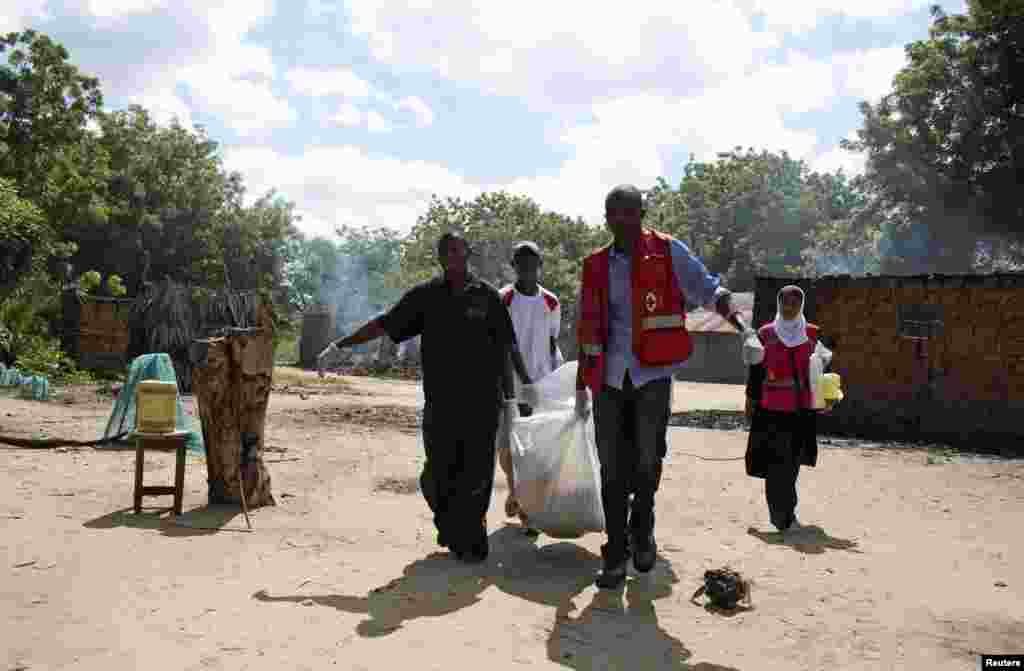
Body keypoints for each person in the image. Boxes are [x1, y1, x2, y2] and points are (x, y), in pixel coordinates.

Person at [317, 232, 538, 562]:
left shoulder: (488, 297)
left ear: (468, 253)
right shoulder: (426, 296)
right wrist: (339, 346)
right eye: (446, 252)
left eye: (458, 251)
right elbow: (384, 323)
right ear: (439, 257)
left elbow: (507, 346)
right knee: (436, 475)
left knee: (477, 474)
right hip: (442, 405)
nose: (452, 257)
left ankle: (471, 537)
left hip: (482, 405)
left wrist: (516, 392)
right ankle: (452, 527)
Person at [575, 184, 751, 589]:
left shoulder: (669, 251)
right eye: (613, 213)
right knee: (612, 468)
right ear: (606, 217)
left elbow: (708, 289)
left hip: (652, 376)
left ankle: (643, 529)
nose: (621, 220)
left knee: (647, 462)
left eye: (629, 212)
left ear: (642, 213)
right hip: (608, 381)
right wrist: (583, 385)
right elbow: (585, 325)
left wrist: (742, 328)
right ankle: (615, 553)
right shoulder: (595, 265)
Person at [743, 285, 836, 533]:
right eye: (785, 303)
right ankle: (783, 517)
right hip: (770, 412)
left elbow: (823, 374)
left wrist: (827, 399)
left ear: (801, 306)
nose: (789, 308)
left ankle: (786, 514)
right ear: (779, 304)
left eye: (794, 303)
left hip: (801, 411)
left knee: (792, 464)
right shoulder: (764, 335)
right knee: (776, 464)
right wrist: (750, 404)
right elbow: (755, 375)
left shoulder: (813, 336)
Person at [496, 241, 563, 532]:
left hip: (539, 387)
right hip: (509, 386)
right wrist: (520, 378)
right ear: (514, 267)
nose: (527, 269)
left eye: (532, 264)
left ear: (540, 266)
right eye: (521, 264)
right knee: (509, 444)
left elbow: (551, 343)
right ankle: (514, 490)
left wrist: (554, 382)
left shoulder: (551, 302)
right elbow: (503, 344)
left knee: (535, 448)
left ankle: (528, 507)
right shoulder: (503, 299)